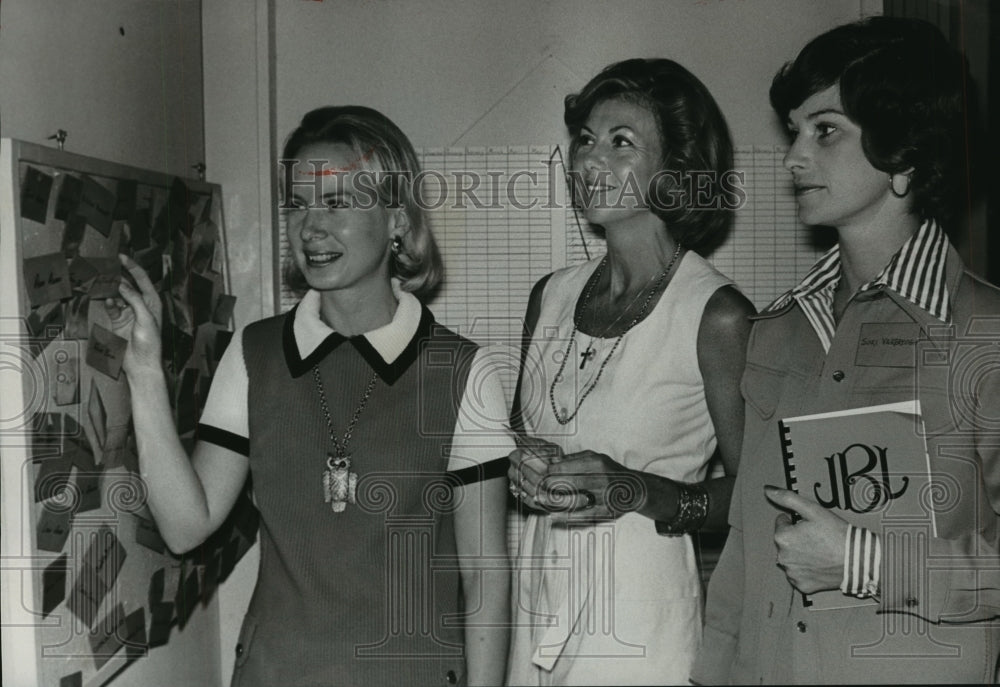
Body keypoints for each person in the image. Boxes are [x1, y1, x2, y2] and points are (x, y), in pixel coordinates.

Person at [107, 106, 511, 686]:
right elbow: (185, 525)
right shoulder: (255, 354)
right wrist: (145, 372)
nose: (310, 226)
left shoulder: (462, 372)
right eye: (297, 204)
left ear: (398, 218)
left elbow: (484, 571)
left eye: (338, 203)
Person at [693, 17, 1000, 685]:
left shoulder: (985, 331)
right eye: (795, 132)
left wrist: (865, 563)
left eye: (825, 130)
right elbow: (748, 543)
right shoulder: (774, 329)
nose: (794, 157)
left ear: (906, 155)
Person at [505, 59, 755, 685]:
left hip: (641, 613)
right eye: (585, 138)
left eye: (622, 142)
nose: (589, 160)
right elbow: (514, 436)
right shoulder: (551, 296)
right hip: (534, 594)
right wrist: (517, 461)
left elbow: (759, 495)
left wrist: (640, 489)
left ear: (676, 168)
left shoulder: (717, 314)